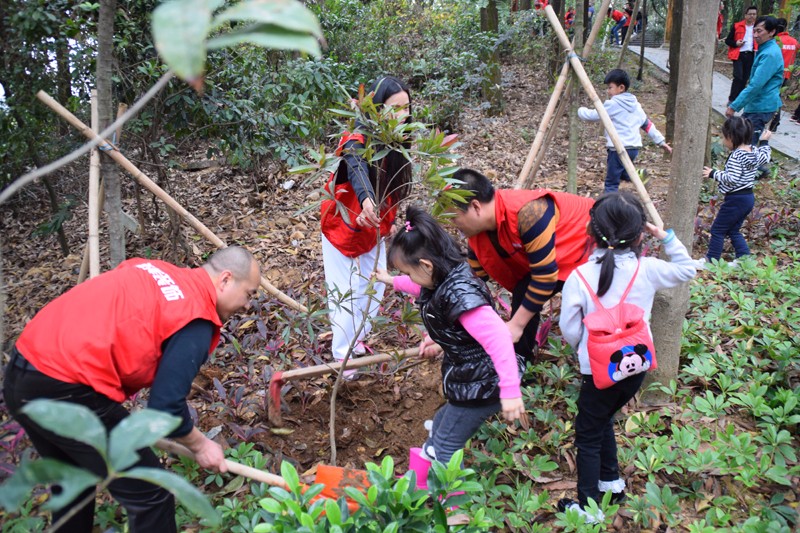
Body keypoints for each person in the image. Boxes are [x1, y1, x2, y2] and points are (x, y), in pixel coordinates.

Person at [3, 246, 261, 532]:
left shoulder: (157, 269)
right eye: (249, 294)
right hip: (66, 388)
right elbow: (166, 407)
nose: (248, 306)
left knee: (74, 481)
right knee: (151, 495)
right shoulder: (196, 318)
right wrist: (201, 446)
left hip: (22, 373)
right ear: (225, 280)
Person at [557, 192, 696, 524]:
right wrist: (666, 237)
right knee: (603, 418)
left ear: (591, 231)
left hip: (598, 371)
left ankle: (589, 509)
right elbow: (687, 269)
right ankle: (611, 483)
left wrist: (584, 351)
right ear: (639, 234)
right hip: (636, 368)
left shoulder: (579, 276)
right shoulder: (648, 269)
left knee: (587, 433)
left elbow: (569, 327)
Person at [374, 206, 525, 471]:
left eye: (407, 272)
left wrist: (511, 392)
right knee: (441, 425)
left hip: (485, 383)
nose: (408, 278)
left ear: (426, 265)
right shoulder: (443, 277)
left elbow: (500, 338)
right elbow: (417, 286)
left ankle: (450, 495)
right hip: (471, 377)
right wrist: (391, 281)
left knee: (445, 446)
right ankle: (427, 473)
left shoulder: (462, 297)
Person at [448, 168, 595, 364]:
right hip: (551, 261)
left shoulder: (530, 213)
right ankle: (521, 365)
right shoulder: (477, 237)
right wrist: (446, 331)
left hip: (588, 251)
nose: (452, 224)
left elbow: (544, 277)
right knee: (523, 293)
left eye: (454, 217)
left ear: (475, 207)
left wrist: (516, 326)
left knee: (586, 313)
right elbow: (474, 286)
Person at [320, 76, 412, 373]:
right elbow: (356, 162)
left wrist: (388, 218)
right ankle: (343, 360)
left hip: (375, 227)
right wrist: (367, 200)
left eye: (407, 108)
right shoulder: (357, 136)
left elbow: (393, 186)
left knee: (372, 288)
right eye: (394, 108)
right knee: (345, 292)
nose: (403, 115)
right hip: (343, 225)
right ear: (377, 110)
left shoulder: (398, 142)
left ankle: (357, 343)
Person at [578, 69, 672, 193]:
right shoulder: (636, 105)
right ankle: (639, 175)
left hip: (618, 148)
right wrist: (660, 141)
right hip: (633, 148)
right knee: (623, 171)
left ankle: (609, 203)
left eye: (610, 87)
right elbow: (647, 124)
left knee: (611, 182)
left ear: (621, 87)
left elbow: (594, 115)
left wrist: (580, 110)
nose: (608, 91)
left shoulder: (613, 104)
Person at [696, 117, 771, 268]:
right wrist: (764, 142)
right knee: (733, 229)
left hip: (736, 199)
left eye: (724, 137)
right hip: (747, 197)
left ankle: (711, 261)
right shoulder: (754, 151)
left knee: (718, 229)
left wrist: (713, 173)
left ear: (731, 137)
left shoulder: (737, 156)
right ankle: (744, 260)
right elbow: (766, 156)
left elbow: (732, 178)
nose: (723, 141)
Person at [726, 16, 785, 147]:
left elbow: (756, 85)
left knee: (747, 146)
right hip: (756, 105)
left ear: (771, 32)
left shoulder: (770, 54)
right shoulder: (764, 49)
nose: (755, 35)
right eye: (754, 31)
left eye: (759, 31)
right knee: (743, 142)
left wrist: (734, 106)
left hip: (761, 107)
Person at [767, 18, 798, 132]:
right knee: (777, 96)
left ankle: (774, 122)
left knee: (772, 97)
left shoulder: (774, 41)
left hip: (772, 73)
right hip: (785, 74)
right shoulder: (794, 42)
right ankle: (774, 123)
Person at [725, 6, 759, 104]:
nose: (752, 16)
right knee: (738, 77)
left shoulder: (758, 28)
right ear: (745, 15)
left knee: (745, 78)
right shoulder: (737, 26)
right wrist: (736, 43)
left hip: (751, 55)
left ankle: (739, 100)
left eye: (754, 14)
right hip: (738, 55)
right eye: (750, 14)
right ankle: (732, 99)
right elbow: (728, 40)